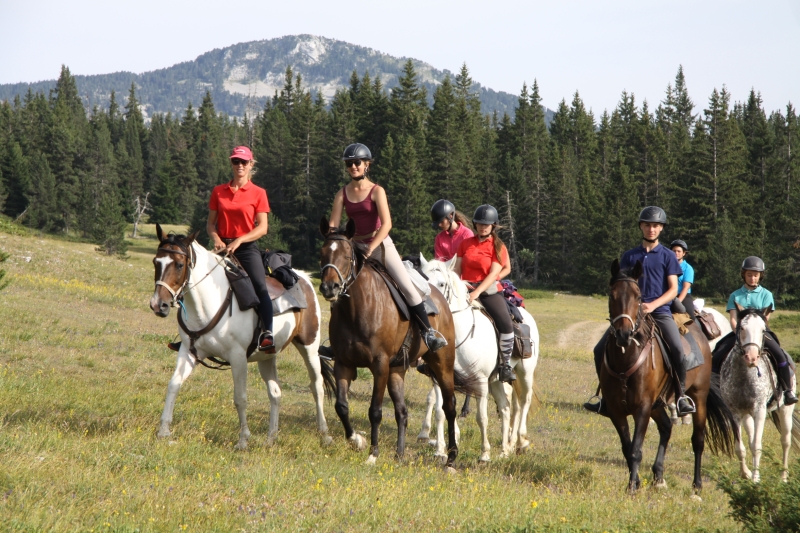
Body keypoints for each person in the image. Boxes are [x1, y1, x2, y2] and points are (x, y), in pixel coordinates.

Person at [327, 143, 447, 352]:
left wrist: (371, 247)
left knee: (407, 287)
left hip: (380, 245)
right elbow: (333, 226)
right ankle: (334, 342)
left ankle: (428, 333)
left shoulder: (377, 191)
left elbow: (387, 224)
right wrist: (333, 242)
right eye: (349, 164)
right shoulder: (342, 194)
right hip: (354, 247)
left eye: (357, 163)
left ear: (367, 165)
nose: (353, 167)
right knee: (337, 287)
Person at [584, 206, 696, 416]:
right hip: (631, 315)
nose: (651, 229)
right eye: (647, 225)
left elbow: (673, 289)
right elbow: (622, 285)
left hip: (660, 312)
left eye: (655, 225)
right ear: (641, 227)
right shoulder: (629, 256)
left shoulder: (668, 256)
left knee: (678, 350)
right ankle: (604, 398)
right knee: (599, 349)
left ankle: (681, 397)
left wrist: (652, 305)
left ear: (661, 228)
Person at [168, 146, 275, 353]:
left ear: (251, 164)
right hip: (222, 247)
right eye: (236, 162)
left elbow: (262, 228)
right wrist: (216, 238)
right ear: (231, 164)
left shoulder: (258, 193)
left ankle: (267, 334)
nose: (240, 166)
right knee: (193, 282)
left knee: (260, 287)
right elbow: (210, 224)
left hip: (246, 248)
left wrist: (240, 241)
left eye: (244, 162)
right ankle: (189, 333)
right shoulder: (219, 191)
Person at [711, 256, 797, 405]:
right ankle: (713, 391)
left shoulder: (767, 295)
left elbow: (765, 318)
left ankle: (787, 390)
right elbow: (733, 318)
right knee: (716, 354)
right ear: (743, 275)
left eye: (756, 275)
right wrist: (739, 333)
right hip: (740, 332)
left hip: (760, 333)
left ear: (760, 276)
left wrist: (755, 332)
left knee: (780, 355)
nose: (752, 278)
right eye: (749, 275)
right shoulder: (735, 295)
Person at [452, 204, 516, 383]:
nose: (483, 226)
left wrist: (476, 292)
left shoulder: (498, 246)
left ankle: (505, 365)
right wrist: (456, 285)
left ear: (493, 225)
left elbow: (493, 275)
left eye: (486, 224)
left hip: (487, 290)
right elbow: (457, 268)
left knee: (506, 324)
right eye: (479, 223)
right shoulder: (465, 243)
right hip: (465, 287)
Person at [671, 239, 696, 322]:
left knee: (690, 316)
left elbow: (685, 288)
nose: (676, 253)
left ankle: (695, 334)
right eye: (674, 251)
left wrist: (677, 302)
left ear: (684, 253)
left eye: (679, 251)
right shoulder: (666, 266)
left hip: (683, 296)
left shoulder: (688, 268)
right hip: (669, 296)